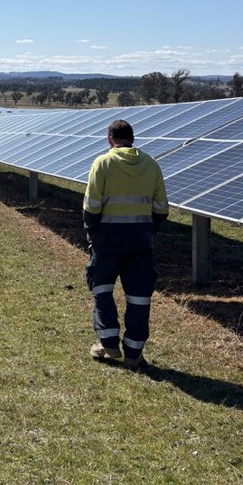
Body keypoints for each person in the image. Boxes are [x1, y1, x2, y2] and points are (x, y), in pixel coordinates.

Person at [83, 119, 168, 369]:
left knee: (102, 289)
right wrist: (148, 231)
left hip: (107, 240)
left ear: (110, 139)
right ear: (132, 138)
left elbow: (91, 207)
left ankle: (108, 344)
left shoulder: (103, 163)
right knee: (139, 297)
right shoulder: (151, 165)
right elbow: (161, 209)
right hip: (141, 241)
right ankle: (134, 353)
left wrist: (93, 235)